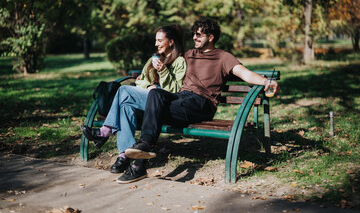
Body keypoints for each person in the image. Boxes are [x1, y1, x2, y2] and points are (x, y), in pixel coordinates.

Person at [121, 19, 279, 183]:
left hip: (202, 103)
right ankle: (144, 149)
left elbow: (245, 74)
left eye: (198, 35)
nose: (194, 38)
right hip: (181, 99)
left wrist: (267, 82)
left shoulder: (223, 57)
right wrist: (146, 74)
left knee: (154, 109)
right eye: (193, 34)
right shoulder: (189, 54)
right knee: (156, 95)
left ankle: (139, 164)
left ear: (210, 37)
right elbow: (170, 63)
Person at [81, 24, 186, 180]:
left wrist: (163, 72)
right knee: (125, 107)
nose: (156, 44)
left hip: (163, 105)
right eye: (155, 40)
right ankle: (124, 155)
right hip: (147, 100)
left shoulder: (180, 62)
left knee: (123, 91)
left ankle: (105, 132)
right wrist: (150, 86)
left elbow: (175, 91)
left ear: (171, 42)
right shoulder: (153, 59)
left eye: (159, 40)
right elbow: (140, 81)